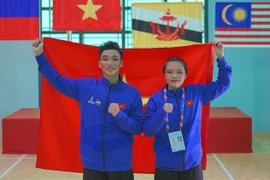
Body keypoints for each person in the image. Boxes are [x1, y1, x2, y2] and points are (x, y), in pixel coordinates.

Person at [32, 38, 144, 180]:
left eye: (114, 59)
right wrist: (39, 55)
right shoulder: (86, 87)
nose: (110, 63)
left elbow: (138, 128)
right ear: (99, 63)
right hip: (92, 166)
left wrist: (120, 115)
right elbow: (58, 81)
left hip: (121, 168)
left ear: (121, 63)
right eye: (105, 59)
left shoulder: (132, 93)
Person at [143, 42, 232, 180]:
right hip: (165, 168)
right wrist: (162, 113)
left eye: (179, 72)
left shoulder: (196, 93)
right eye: (170, 72)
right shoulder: (156, 99)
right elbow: (149, 131)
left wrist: (221, 58)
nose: (175, 76)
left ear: (185, 75)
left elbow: (223, 84)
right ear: (164, 75)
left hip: (192, 165)